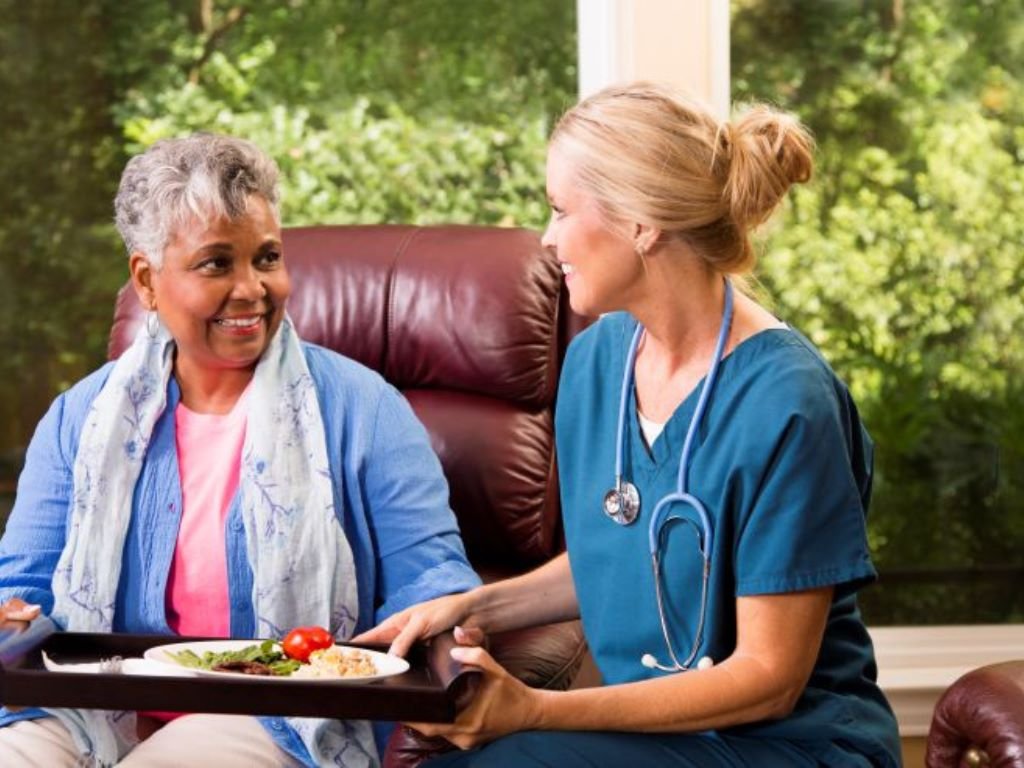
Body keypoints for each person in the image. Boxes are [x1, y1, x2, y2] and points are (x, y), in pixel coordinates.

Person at [355, 82, 902, 767]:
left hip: (788, 745)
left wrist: (537, 711)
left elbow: (771, 679)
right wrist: (474, 607)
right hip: (659, 737)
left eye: (559, 210)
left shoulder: (787, 403)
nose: (547, 238)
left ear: (642, 224)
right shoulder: (597, 363)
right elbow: (620, 558)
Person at [0, 133, 480, 767]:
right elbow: (25, 584)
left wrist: (451, 630)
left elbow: (432, 581)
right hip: (87, 711)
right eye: (216, 263)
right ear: (146, 279)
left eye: (267, 257)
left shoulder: (365, 409)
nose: (253, 288)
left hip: (275, 719)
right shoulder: (79, 419)